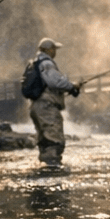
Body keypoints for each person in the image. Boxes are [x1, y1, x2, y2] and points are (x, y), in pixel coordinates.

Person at [26, 37, 80, 171]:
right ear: (48, 50)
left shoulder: (34, 63)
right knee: (54, 139)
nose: (55, 51)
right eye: (54, 49)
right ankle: (52, 169)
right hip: (47, 108)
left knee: (44, 140)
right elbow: (55, 82)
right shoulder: (46, 63)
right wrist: (72, 86)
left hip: (36, 107)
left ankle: (44, 168)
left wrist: (70, 87)